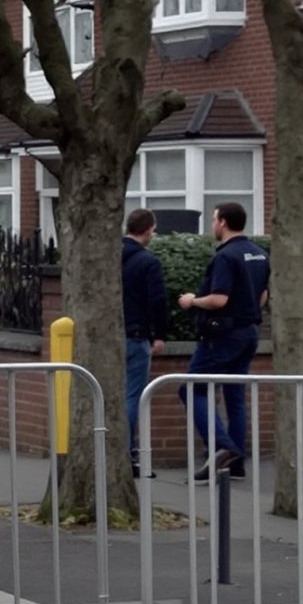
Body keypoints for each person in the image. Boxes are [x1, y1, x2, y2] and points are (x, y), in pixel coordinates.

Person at [177, 201, 268, 482]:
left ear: (223, 222)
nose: (212, 224)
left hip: (222, 336)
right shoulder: (259, 254)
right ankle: (235, 465)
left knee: (191, 389)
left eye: (214, 219)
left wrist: (192, 301)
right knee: (234, 397)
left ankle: (222, 448)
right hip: (248, 333)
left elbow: (218, 299)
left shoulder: (225, 257)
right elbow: (262, 297)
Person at [119, 209, 165, 471]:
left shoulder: (110, 256)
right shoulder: (148, 262)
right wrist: (159, 335)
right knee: (132, 396)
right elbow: (157, 301)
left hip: (112, 336)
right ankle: (127, 453)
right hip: (136, 336)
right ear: (147, 230)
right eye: (153, 230)